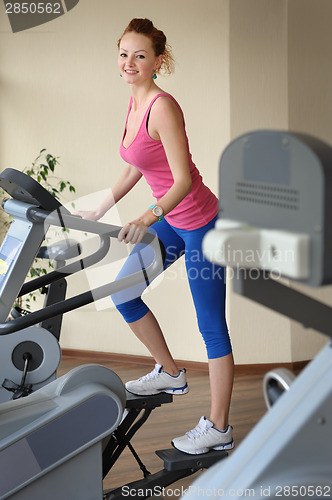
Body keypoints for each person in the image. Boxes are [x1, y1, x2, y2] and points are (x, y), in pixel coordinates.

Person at [76, 18, 234, 455]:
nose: (129, 62)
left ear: (157, 61)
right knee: (124, 292)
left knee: (212, 329)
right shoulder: (133, 102)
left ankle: (219, 427)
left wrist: (146, 217)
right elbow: (135, 165)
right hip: (173, 220)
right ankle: (169, 371)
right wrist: (102, 206)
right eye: (124, 54)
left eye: (139, 55)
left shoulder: (163, 106)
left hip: (201, 225)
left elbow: (181, 180)